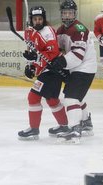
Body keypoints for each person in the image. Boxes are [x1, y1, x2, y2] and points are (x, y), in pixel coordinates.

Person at [47, 0, 97, 144]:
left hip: (84, 67)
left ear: (75, 14)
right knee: (76, 97)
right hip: (75, 68)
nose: (67, 16)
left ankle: (75, 130)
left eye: (70, 13)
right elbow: (58, 50)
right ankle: (86, 123)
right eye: (65, 13)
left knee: (70, 99)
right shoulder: (61, 30)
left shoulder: (79, 29)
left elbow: (77, 56)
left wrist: (61, 63)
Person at [18, 6, 68, 140]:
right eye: (35, 19)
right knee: (52, 100)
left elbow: (52, 53)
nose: (38, 21)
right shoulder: (29, 32)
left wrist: (35, 59)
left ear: (44, 19)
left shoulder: (48, 32)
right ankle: (64, 125)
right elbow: (32, 51)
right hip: (47, 70)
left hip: (53, 69)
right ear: (32, 20)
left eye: (40, 19)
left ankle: (34, 129)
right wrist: (31, 66)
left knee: (33, 97)